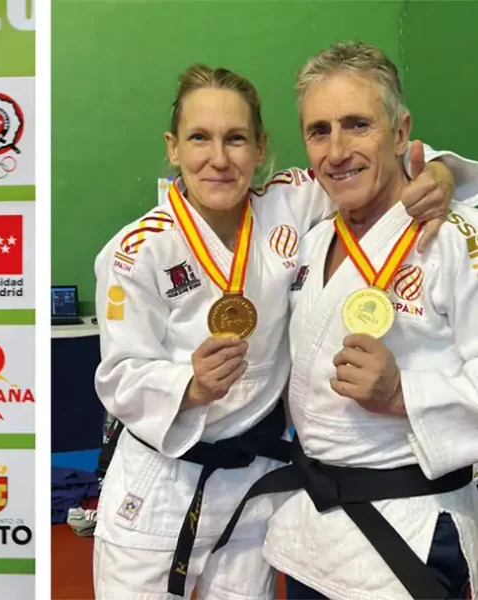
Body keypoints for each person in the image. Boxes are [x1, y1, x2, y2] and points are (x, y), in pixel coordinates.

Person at [91, 61, 478, 600]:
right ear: (173, 147)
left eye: (236, 139)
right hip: (164, 477)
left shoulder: (290, 204)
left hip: (261, 485)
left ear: (261, 147)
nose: (218, 158)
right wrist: (189, 386)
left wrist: (437, 172)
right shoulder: (136, 251)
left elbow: (373, 169)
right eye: (199, 138)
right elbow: (119, 374)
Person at [213, 41, 478, 600]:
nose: (336, 151)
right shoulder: (312, 241)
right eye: (318, 131)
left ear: (401, 132)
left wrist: (406, 393)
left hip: (407, 533)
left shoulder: (455, 241)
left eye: (358, 125)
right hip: (312, 528)